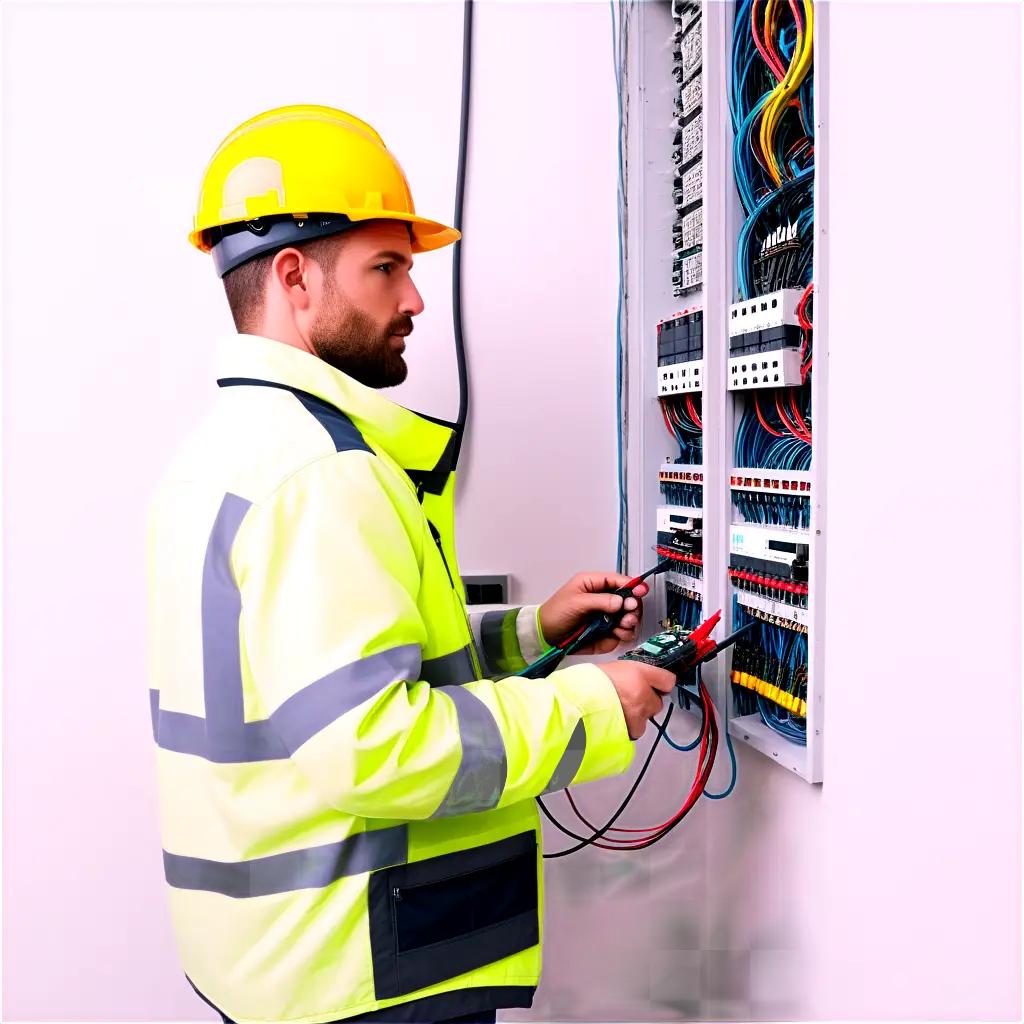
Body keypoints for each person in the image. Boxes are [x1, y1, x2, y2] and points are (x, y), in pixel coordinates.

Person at [146, 104, 676, 1024]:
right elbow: (374, 745)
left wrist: (525, 634)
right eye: (386, 268)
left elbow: (315, 676)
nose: (416, 300)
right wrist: (598, 705)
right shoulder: (320, 472)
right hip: (354, 970)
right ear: (294, 277)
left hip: (273, 958)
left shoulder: (225, 450)